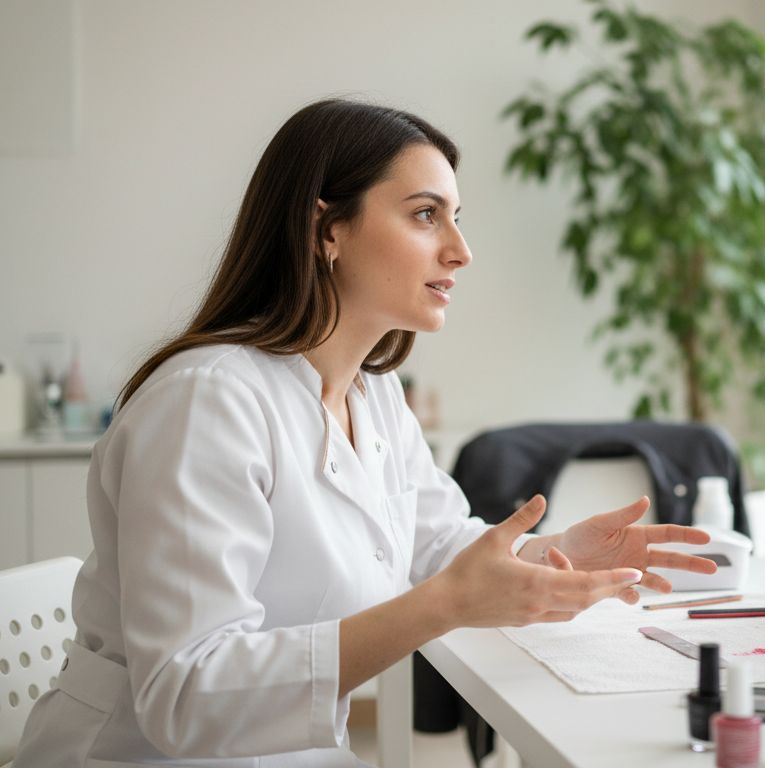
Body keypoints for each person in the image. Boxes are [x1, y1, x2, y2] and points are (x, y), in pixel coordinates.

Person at [14, 99, 718, 765]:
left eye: (456, 217)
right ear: (328, 230)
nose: (461, 250)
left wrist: (557, 552)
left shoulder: (372, 393)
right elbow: (186, 697)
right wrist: (445, 606)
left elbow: (437, 543)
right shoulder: (207, 403)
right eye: (425, 215)